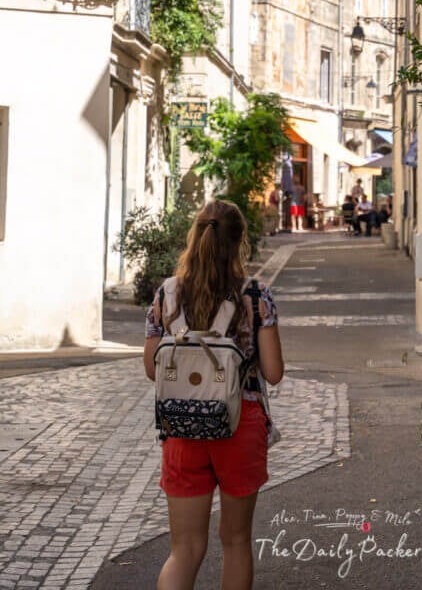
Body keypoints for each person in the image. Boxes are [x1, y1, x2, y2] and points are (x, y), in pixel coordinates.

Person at [143, 199, 284, 590]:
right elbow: (273, 373)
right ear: (240, 243)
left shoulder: (167, 295)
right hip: (240, 426)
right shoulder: (255, 297)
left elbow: (153, 368)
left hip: (182, 427)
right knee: (236, 541)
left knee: (184, 549)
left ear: (195, 236)